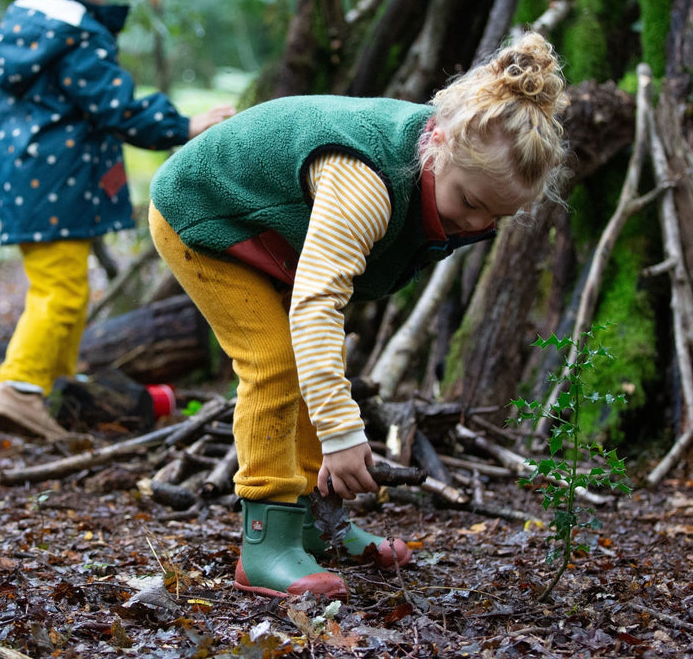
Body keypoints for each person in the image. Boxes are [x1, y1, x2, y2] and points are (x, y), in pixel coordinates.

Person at [148, 31, 569, 599]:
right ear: (436, 144)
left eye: (498, 216)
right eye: (469, 203)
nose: (475, 225)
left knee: (304, 360)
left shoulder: (461, 160)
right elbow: (318, 303)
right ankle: (266, 544)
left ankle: (314, 529)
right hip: (206, 216)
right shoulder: (366, 181)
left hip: (279, 236)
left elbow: (331, 295)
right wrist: (343, 434)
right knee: (273, 361)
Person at [0, 0, 235, 441]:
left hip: (31, 186)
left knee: (61, 287)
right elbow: (115, 107)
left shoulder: (25, 32)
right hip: (57, 185)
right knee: (61, 291)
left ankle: (52, 387)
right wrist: (182, 124)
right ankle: (18, 387)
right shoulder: (73, 34)